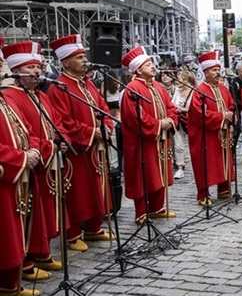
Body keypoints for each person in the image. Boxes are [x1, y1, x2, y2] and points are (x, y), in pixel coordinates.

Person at [46, 35, 115, 249]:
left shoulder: (88, 85)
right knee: (77, 192)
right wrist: (89, 132)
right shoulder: (59, 87)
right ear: (66, 62)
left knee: (98, 187)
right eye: (79, 57)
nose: (85, 60)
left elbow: (103, 107)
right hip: (77, 151)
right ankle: (73, 234)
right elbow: (63, 120)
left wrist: (106, 127)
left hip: (96, 146)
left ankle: (94, 228)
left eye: (85, 56)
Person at [1, 41, 61, 281]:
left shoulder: (33, 96)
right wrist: (28, 154)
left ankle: (33, 258)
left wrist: (49, 145)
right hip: (19, 167)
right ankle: (19, 270)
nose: (38, 72)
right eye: (31, 67)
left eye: (39, 67)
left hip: (33, 162)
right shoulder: (11, 96)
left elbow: (24, 131)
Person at [120, 46, 179, 224]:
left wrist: (171, 119)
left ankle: (157, 207)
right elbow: (134, 117)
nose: (153, 67)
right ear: (138, 69)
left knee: (159, 173)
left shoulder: (158, 87)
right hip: (143, 142)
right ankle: (141, 212)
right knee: (144, 174)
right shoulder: (132, 88)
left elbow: (171, 107)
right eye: (148, 64)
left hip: (160, 140)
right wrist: (160, 124)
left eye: (152, 64)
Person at [0, 72, 43, 296]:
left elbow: (25, 129)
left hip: (14, 176)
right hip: (6, 172)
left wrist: (33, 149)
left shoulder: (3, 100)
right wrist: (20, 157)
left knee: (12, 235)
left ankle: (9, 285)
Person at [187, 52, 236, 205]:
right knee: (206, 162)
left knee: (224, 160)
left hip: (223, 132)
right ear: (206, 72)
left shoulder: (223, 88)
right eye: (214, 70)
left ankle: (224, 189)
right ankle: (203, 194)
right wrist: (222, 116)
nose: (218, 72)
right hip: (206, 135)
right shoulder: (199, 90)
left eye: (218, 69)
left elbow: (231, 105)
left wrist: (231, 116)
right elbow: (198, 113)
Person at [170, 70, 195, 180]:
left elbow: (196, 107)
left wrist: (184, 109)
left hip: (191, 121)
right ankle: (180, 168)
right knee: (178, 145)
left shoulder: (194, 92)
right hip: (179, 121)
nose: (178, 82)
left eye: (180, 80)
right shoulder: (177, 91)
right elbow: (172, 103)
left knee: (194, 144)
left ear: (187, 81)